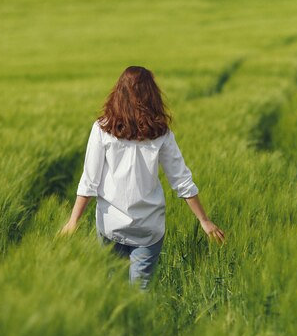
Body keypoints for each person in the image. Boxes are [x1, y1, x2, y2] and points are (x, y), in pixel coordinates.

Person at [59, 66, 225, 290]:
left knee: (113, 289)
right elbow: (182, 181)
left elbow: (90, 180)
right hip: (148, 227)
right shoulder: (161, 133)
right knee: (141, 293)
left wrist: (73, 221)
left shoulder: (102, 128)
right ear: (152, 95)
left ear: (118, 94)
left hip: (111, 225)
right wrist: (204, 221)